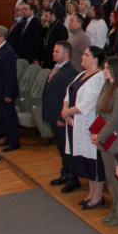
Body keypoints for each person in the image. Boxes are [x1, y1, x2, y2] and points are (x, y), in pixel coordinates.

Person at [62, 47, 107, 209]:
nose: (82, 56)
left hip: (89, 124)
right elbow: (68, 93)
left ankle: (98, 196)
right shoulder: (81, 74)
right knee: (84, 161)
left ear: (95, 59)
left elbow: (88, 103)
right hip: (75, 123)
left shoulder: (99, 77)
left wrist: (68, 112)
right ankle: (90, 193)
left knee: (93, 161)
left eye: (86, 55)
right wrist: (65, 109)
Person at [91, 57, 118, 226]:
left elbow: (116, 119)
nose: (105, 70)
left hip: (113, 139)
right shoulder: (107, 86)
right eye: (104, 67)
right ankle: (114, 210)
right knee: (110, 178)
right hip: (105, 138)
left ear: (116, 69)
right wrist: (96, 133)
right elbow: (100, 112)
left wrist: (100, 135)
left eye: (108, 68)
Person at [44, 42, 81, 192]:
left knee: (67, 149)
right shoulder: (56, 68)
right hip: (53, 114)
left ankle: (73, 178)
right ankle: (65, 173)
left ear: (66, 54)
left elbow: (69, 97)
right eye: (54, 51)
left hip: (61, 117)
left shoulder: (70, 71)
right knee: (60, 148)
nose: (53, 54)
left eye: (57, 51)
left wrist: (62, 117)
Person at [0, 26, 20, 152]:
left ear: (2, 37)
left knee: (9, 117)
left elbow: (10, 75)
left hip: (5, 92)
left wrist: (8, 94)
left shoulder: (7, 52)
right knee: (3, 117)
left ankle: (14, 142)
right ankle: (8, 138)